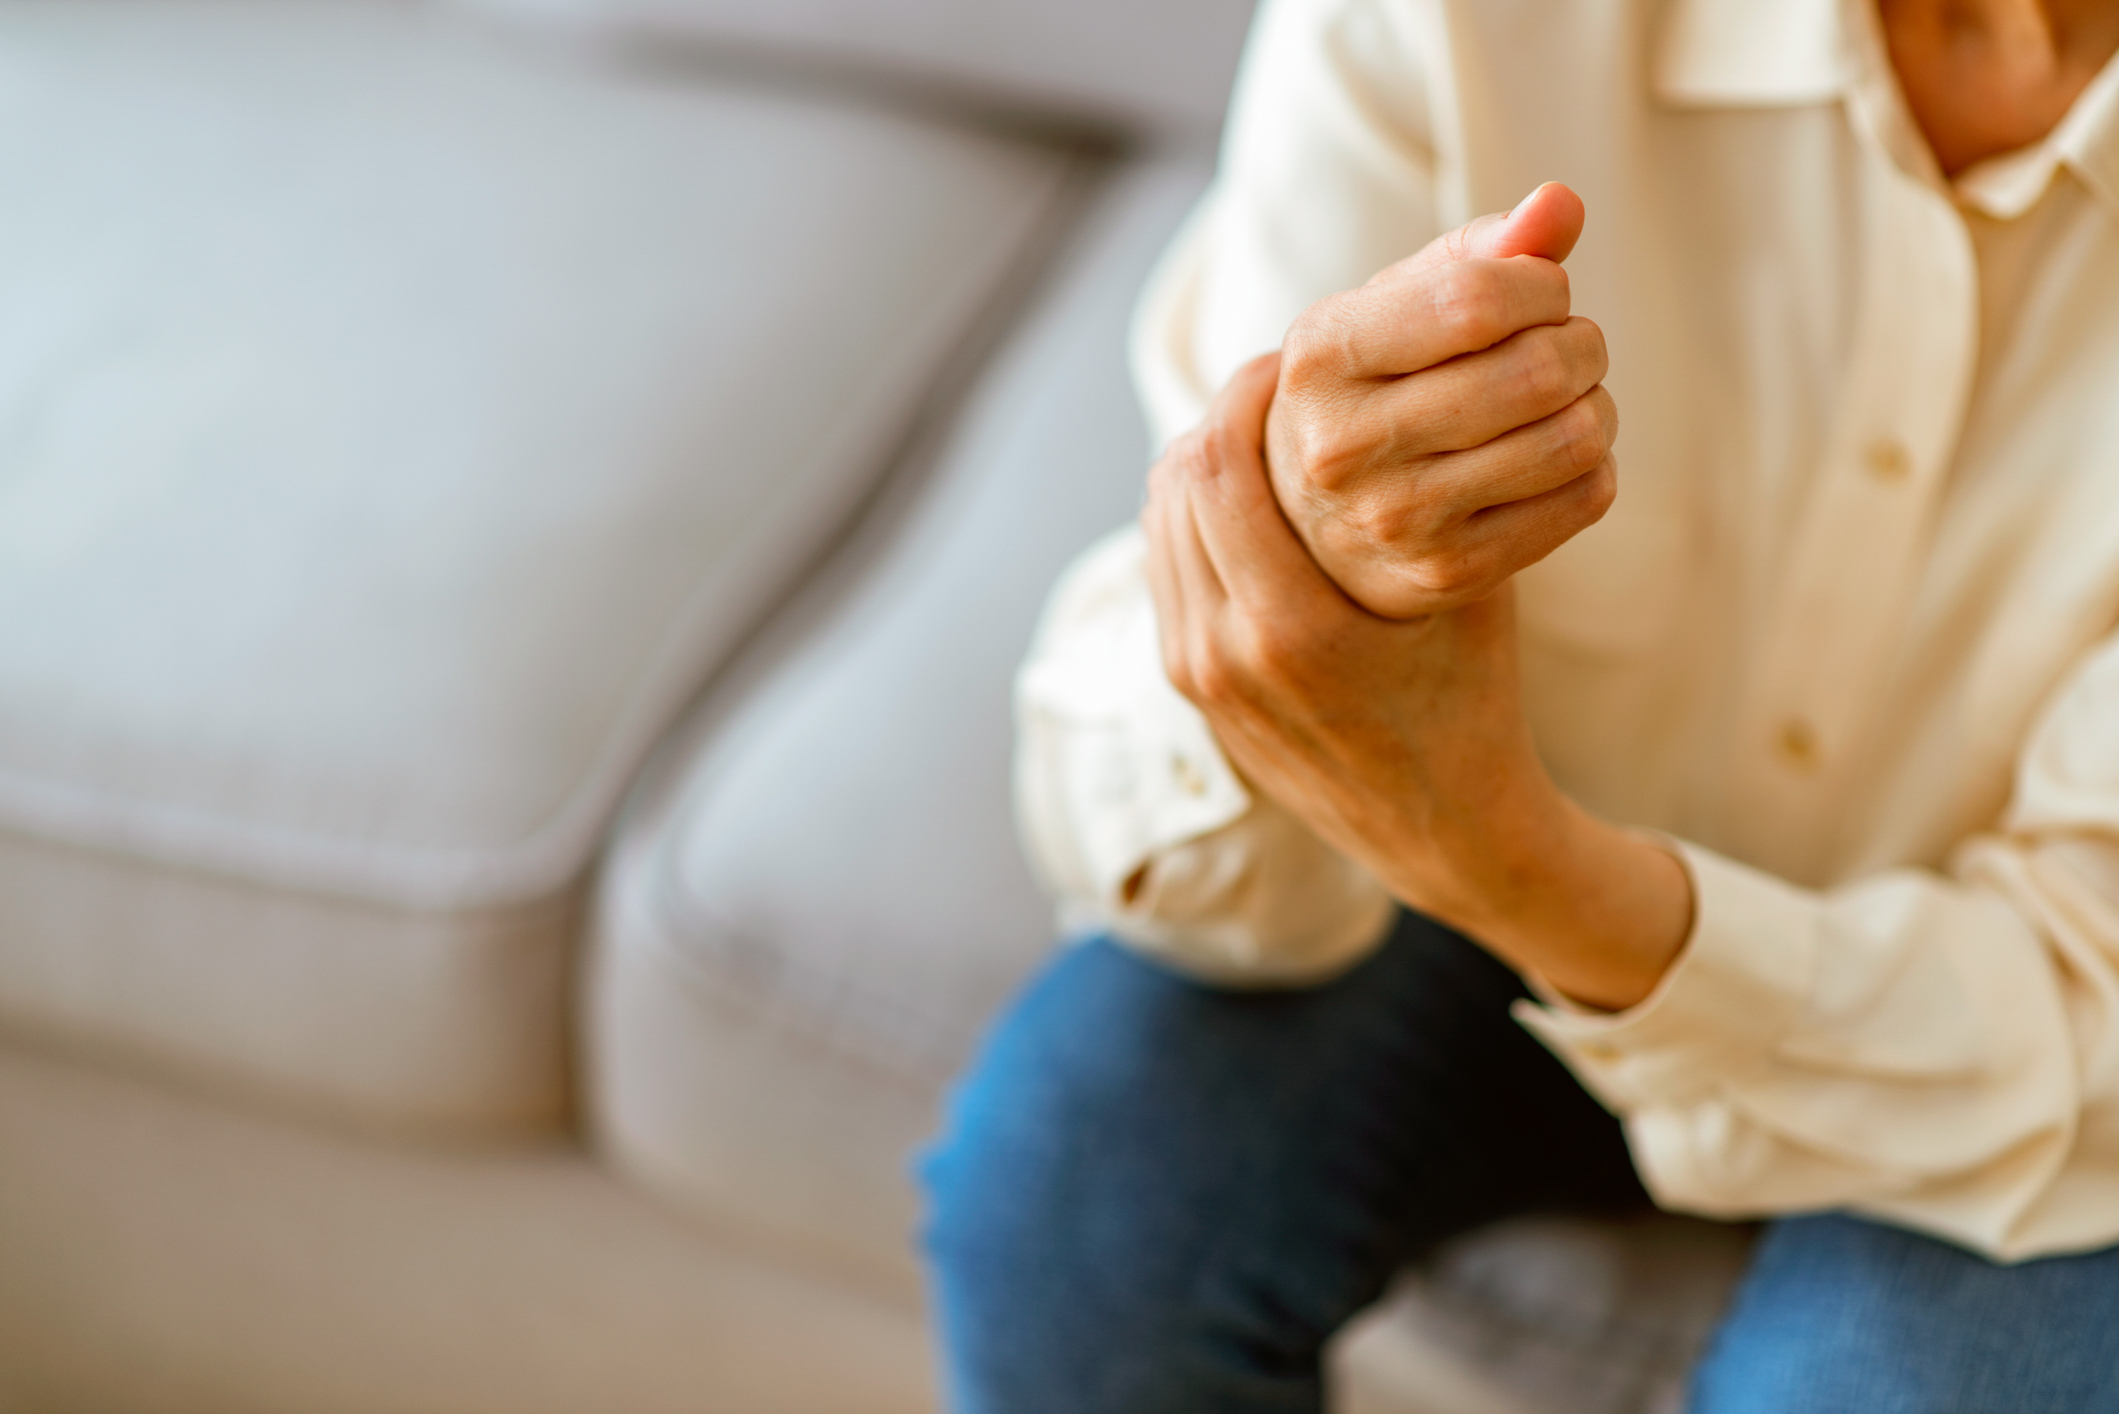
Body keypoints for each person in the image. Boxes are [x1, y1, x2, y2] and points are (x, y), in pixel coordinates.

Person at [923, 0, 2119, 1408]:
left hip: (2034, 1008)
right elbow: (1135, 803)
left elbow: (2090, 1018)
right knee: (1067, 1208)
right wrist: (1294, 594)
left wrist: (1507, 862)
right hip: (1475, 867)